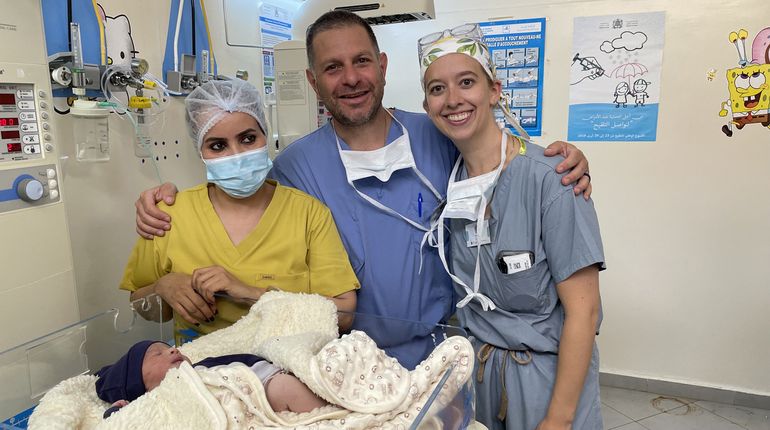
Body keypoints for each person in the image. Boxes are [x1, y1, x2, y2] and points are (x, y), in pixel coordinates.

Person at [134, 11, 592, 369]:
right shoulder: (294, 167)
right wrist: (165, 200)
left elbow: (502, 162)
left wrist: (564, 158)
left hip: (445, 348)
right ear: (314, 82)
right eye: (332, 68)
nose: (350, 78)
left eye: (361, 61)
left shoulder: (438, 138)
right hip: (338, 359)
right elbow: (238, 193)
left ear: (382, 66)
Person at [418, 24, 605, 430]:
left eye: (466, 82)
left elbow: (584, 312)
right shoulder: (445, 183)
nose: (453, 100)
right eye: (437, 89)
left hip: (546, 382)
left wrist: (557, 418)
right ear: (427, 104)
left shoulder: (552, 179)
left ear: (495, 90)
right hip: (478, 375)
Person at [121, 78, 359, 345]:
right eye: (218, 146)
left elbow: (345, 313)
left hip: (288, 369)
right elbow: (140, 305)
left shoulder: (308, 215)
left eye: (247, 139)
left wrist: (250, 293)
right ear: (200, 150)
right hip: (201, 373)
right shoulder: (169, 215)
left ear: (265, 134)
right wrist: (161, 288)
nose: (237, 154)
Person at [95, 340, 326, 418]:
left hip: (261, 393)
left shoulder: (199, 369)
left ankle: (330, 416)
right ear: (138, 382)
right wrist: (119, 408)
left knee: (285, 387)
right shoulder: (153, 402)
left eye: (170, 347)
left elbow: (247, 363)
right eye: (158, 354)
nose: (173, 350)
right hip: (237, 418)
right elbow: (126, 421)